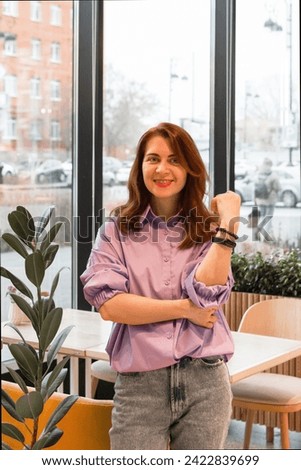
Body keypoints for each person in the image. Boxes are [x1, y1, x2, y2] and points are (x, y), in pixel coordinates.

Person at [80, 122, 241, 450]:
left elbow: (207, 297)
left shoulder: (209, 232)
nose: (162, 169)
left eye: (175, 160)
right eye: (152, 159)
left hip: (205, 380)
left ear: (189, 170)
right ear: (140, 168)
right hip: (141, 384)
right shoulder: (116, 230)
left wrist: (226, 228)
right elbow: (111, 305)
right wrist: (183, 309)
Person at [253, 157, 281, 240]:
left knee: (263, 216)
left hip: (260, 200)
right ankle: (263, 232)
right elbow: (278, 188)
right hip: (270, 200)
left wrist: (254, 200)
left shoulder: (258, 174)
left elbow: (255, 187)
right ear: (270, 165)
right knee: (268, 217)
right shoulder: (273, 176)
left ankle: (267, 232)